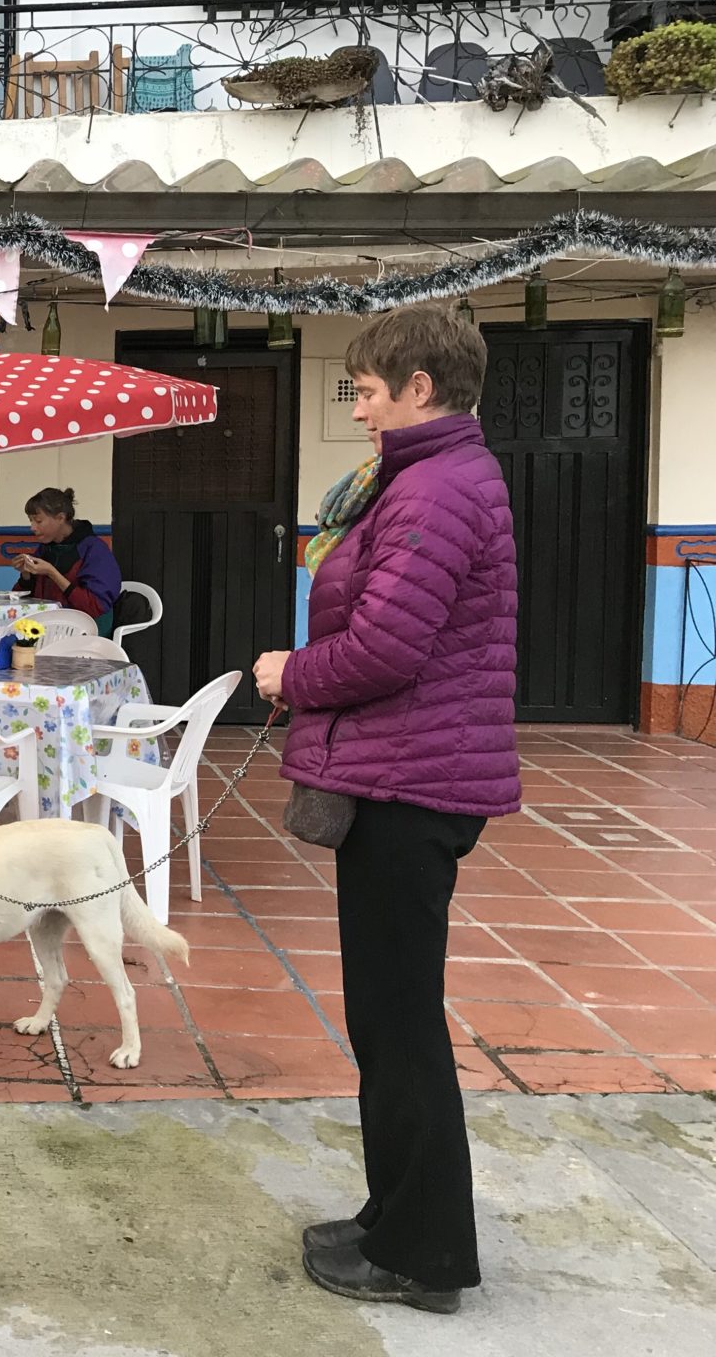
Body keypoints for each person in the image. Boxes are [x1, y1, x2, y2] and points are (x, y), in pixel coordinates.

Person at [252, 305, 518, 1316]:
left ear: (418, 386)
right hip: (403, 775)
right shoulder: (422, 479)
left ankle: (422, 1255)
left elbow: (383, 650)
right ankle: (389, 1215)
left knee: (398, 1025)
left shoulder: (437, 489)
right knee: (381, 1018)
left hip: (413, 787)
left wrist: (290, 672)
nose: (357, 409)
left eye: (365, 390)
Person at [8, 488, 122, 635]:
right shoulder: (46, 548)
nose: (32, 528)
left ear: (60, 518)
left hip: (88, 629)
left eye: (38, 521)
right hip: (51, 626)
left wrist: (52, 572)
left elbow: (95, 607)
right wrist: (26, 575)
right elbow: (28, 601)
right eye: (31, 521)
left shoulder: (94, 549)